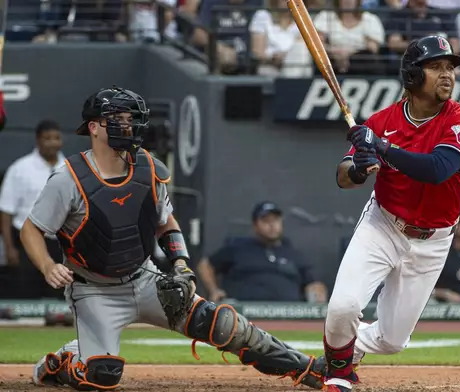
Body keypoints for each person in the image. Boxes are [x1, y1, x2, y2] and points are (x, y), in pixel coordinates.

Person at [25, 86, 326, 391]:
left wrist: (180, 264)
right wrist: (48, 265)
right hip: (94, 291)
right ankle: (64, 362)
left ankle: (306, 367)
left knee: (222, 324)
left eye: (130, 118)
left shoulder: (149, 168)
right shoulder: (68, 179)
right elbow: (31, 229)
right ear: (94, 127)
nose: (128, 125)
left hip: (144, 278)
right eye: (118, 118)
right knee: (101, 375)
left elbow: (165, 222)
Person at [321, 36, 460, 392]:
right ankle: (338, 373)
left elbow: (438, 168)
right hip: (383, 224)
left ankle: (346, 347)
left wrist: (380, 147)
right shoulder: (382, 120)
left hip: (433, 239)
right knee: (343, 306)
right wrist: (359, 167)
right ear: (411, 75)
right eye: (436, 67)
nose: (447, 75)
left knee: (392, 341)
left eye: (450, 68)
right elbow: (343, 177)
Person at [197, 201, 328, 303]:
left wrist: (317, 291)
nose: (271, 225)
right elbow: (205, 265)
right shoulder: (238, 248)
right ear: (255, 225)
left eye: (275, 220)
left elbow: (313, 282)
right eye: (266, 221)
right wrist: (214, 290)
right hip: (244, 314)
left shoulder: (292, 253)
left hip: (289, 316)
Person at [0, 119, 65, 299]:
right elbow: (6, 212)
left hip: (61, 243)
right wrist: (9, 248)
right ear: (38, 140)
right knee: (27, 294)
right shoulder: (20, 169)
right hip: (27, 241)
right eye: (47, 138)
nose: (52, 143)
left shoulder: (70, 168)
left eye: (56, 138)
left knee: (59, 297)